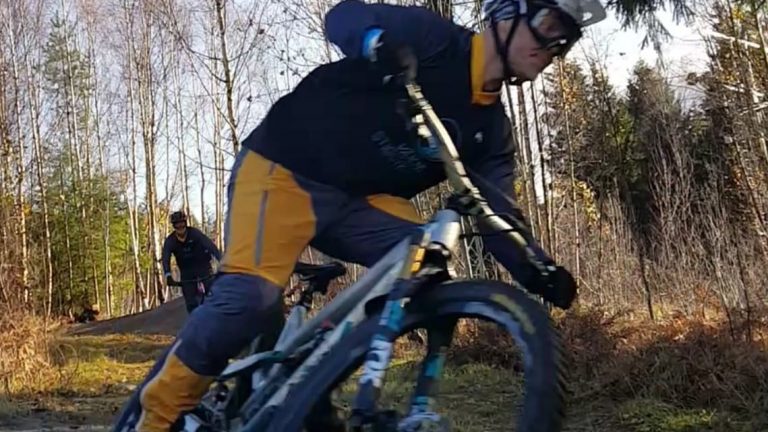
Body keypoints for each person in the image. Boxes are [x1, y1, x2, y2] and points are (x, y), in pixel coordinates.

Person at [114, 0, 606, 430]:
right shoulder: (436, 40)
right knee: (249, 298)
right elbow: (343, 16)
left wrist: (537, 269)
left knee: (427, 259)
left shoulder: (492, 134)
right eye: (547, 23)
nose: (553, 45)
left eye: (563, 40)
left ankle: (313, 383)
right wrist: (376, 42)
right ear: (506, 12)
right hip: (285, 166)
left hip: (357, 204)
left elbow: (501, 218)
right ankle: (154, 415)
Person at [161, 210, 222, 314]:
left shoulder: (194, 233)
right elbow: (165, 257)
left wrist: (223, 261)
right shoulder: (170, 240)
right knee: (190, 303)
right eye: (177, 224)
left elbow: (210, 246)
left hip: (203, 266)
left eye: (182, 223)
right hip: (186, 271)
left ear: (186, 223)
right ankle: (195, 322)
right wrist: (168, 275)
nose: (180, 226)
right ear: (174, 226)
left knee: (212, 294)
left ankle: (217, 316)